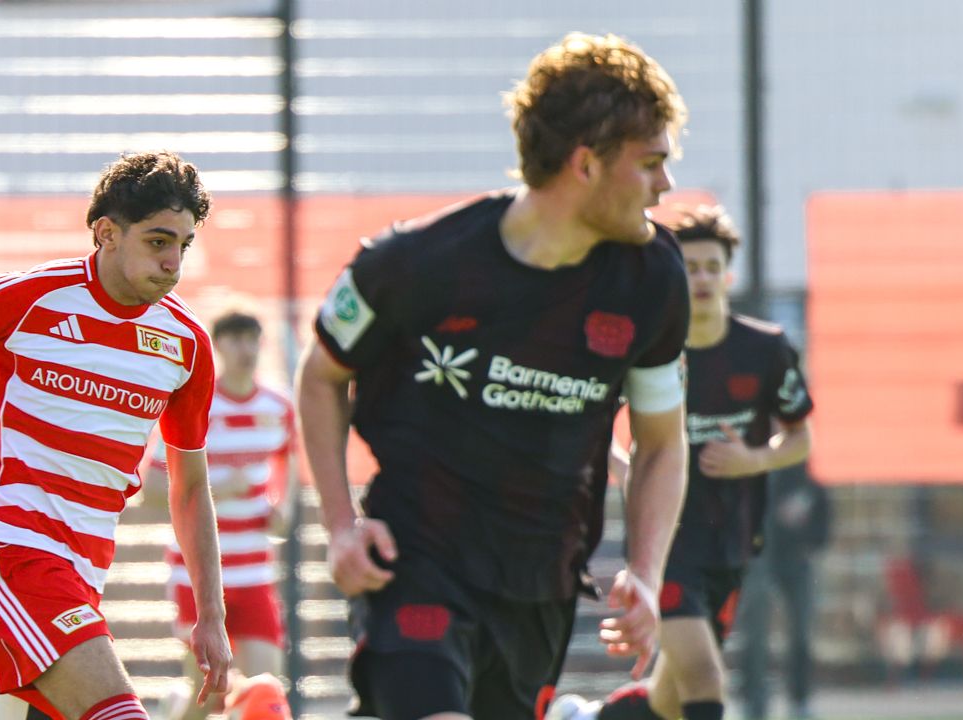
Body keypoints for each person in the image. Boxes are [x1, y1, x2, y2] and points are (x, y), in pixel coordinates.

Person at [296, 32, 693, 720]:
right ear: (586, 165)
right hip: (416, 560)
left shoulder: (652, 280)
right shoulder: (417, 263)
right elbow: (321, 375)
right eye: (652, 163)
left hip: (539, 586)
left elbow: (661, 441)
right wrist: (339, 524)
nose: (667, 185)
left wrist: (649, 575)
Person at [0, 151, 229, 720]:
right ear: (106, 233)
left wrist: (212, 616)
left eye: (183, 244)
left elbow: (191, 489)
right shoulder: (26, 297)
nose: (174, 262)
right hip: (10, 552)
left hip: (85, 572)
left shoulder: (186, 344)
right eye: (157, 241)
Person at [551, 206, 815, 720]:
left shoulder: (764, 349)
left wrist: (752, 459)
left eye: (712, 267)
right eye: (690, 267)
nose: (701, 278)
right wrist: (626, 468)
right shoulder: (650, 346)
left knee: (669, 700)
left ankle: (592, 719)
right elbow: (588, 417)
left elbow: (800, 436)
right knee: (706, 678)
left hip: (730, 541)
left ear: (727, 275)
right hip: (667, 543)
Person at [139, 309, 295, 720]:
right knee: (208, 695)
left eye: (252, 339)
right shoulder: (197, 406)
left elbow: (288, 462)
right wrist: (218, 488)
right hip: (199, 571)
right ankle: (175, 709)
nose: (246, 349)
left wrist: (285, 506)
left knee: (267, 690)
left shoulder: (277, 406)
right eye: (236, 340)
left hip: (254, 570)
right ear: (218, 346)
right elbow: (151, 491)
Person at [735, 464, 827, 720]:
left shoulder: (805, 482)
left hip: (796, 564)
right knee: (755, 636)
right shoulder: (756, 476)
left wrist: (800, 527)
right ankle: (754, 702)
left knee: (801, 633)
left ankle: (800, 699)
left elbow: (822, 531)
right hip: (760, 563)